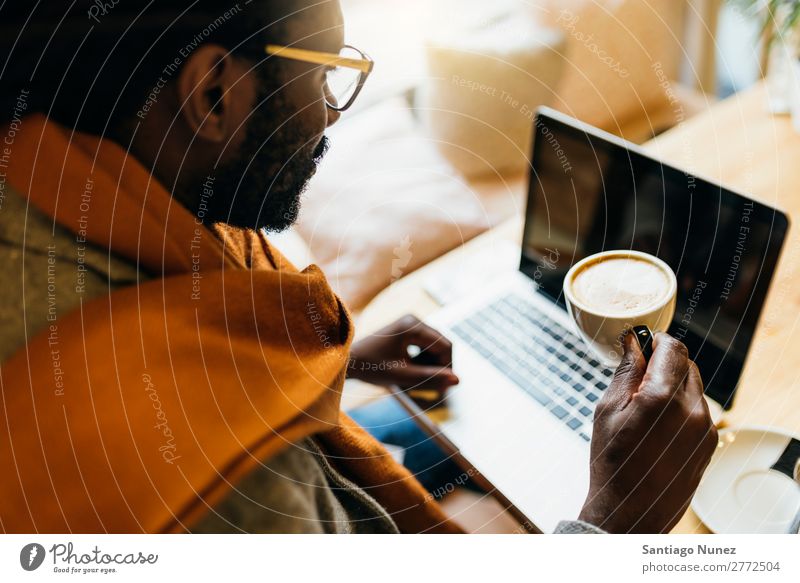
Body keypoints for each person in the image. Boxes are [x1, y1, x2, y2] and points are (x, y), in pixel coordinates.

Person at [0, 0, 717, 534]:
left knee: (442, 429)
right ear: (214, 94)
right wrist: (613, 523)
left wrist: (312, 368)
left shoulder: (46, 172)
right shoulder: (228, 489)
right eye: (328, 73)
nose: (333, 113)